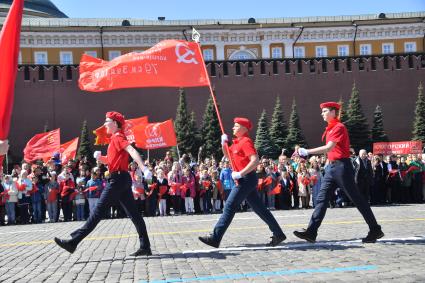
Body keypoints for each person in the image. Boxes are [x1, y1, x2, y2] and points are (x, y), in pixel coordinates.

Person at [54, 111, 153, 256]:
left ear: (115, 123)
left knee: (98, 211)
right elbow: (113, 161)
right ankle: (145, 246)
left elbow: (131, 150)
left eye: (107, 121)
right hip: (122, 178)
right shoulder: (114, 138)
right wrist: (102, 158)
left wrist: (143, 168)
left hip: (118, 180)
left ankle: (73, 242)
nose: (104, 124)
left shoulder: (118, 137)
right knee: (134, 215)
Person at [293, 102, 384, 243]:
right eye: (322, 111)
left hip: (342, 167)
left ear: (334, 112)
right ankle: (311, 232)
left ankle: (375, 229)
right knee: (321, 199)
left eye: (324, 111)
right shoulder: (330, 129)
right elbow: (332, 152)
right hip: (332, 168)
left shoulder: (339, 127)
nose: (322, 113)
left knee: (357, 199)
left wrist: (307, 151)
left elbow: (329, 147)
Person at [198, 117, 286, 248]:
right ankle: (278, 233)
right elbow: (228, 156)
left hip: (246, 179)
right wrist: (223, 144)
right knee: (260, 209)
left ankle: (215, 238)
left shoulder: (245, 141)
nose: (233, 128)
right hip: (244, 179)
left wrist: (241, 173)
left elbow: (255, 160)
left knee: (229, 206)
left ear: (244, 128)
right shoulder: (236, 142)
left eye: (236, 126)